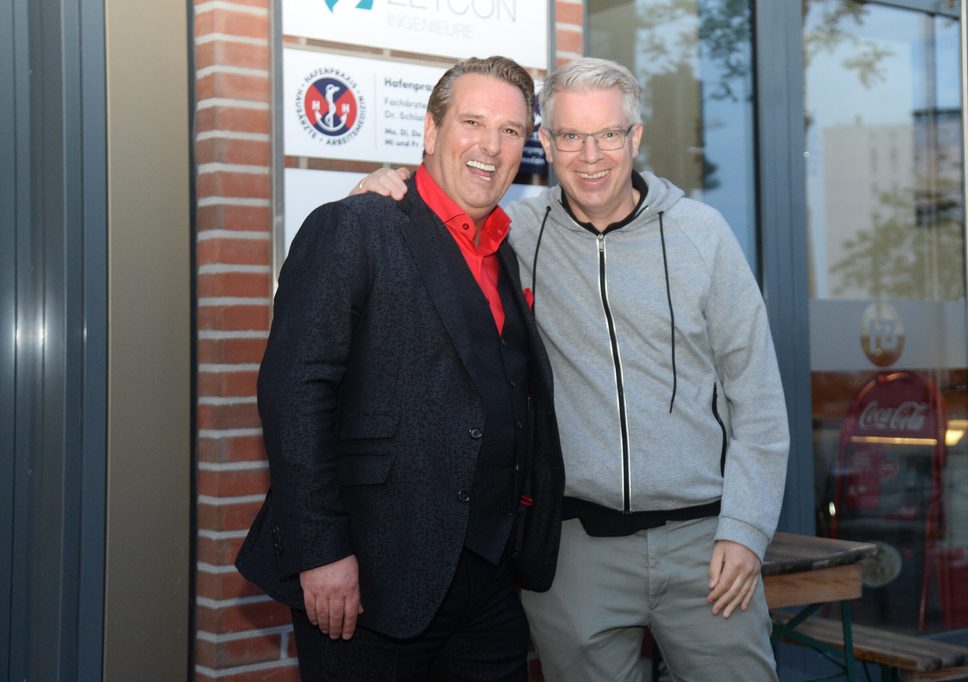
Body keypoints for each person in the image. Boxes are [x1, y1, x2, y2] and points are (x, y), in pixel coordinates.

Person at [352, 57, 790, 681]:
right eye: (569, 136)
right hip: (574, 552)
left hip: (705, 546)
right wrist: (385, 188)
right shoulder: (513, 234)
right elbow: (434, 214)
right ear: (546, 145)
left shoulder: (704, 236)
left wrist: (746, 530)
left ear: (635, 138)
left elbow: (759, 401)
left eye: (608, 134)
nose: (591, 155)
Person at [235, 55, 565, 682]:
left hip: (490, 585)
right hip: (370, 582)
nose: (490, 146)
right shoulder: (355, 226)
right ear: (430, 132)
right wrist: (322, 552)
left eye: (511, 131)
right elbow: (295, 393)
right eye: (472, 121)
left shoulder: (505, 252)